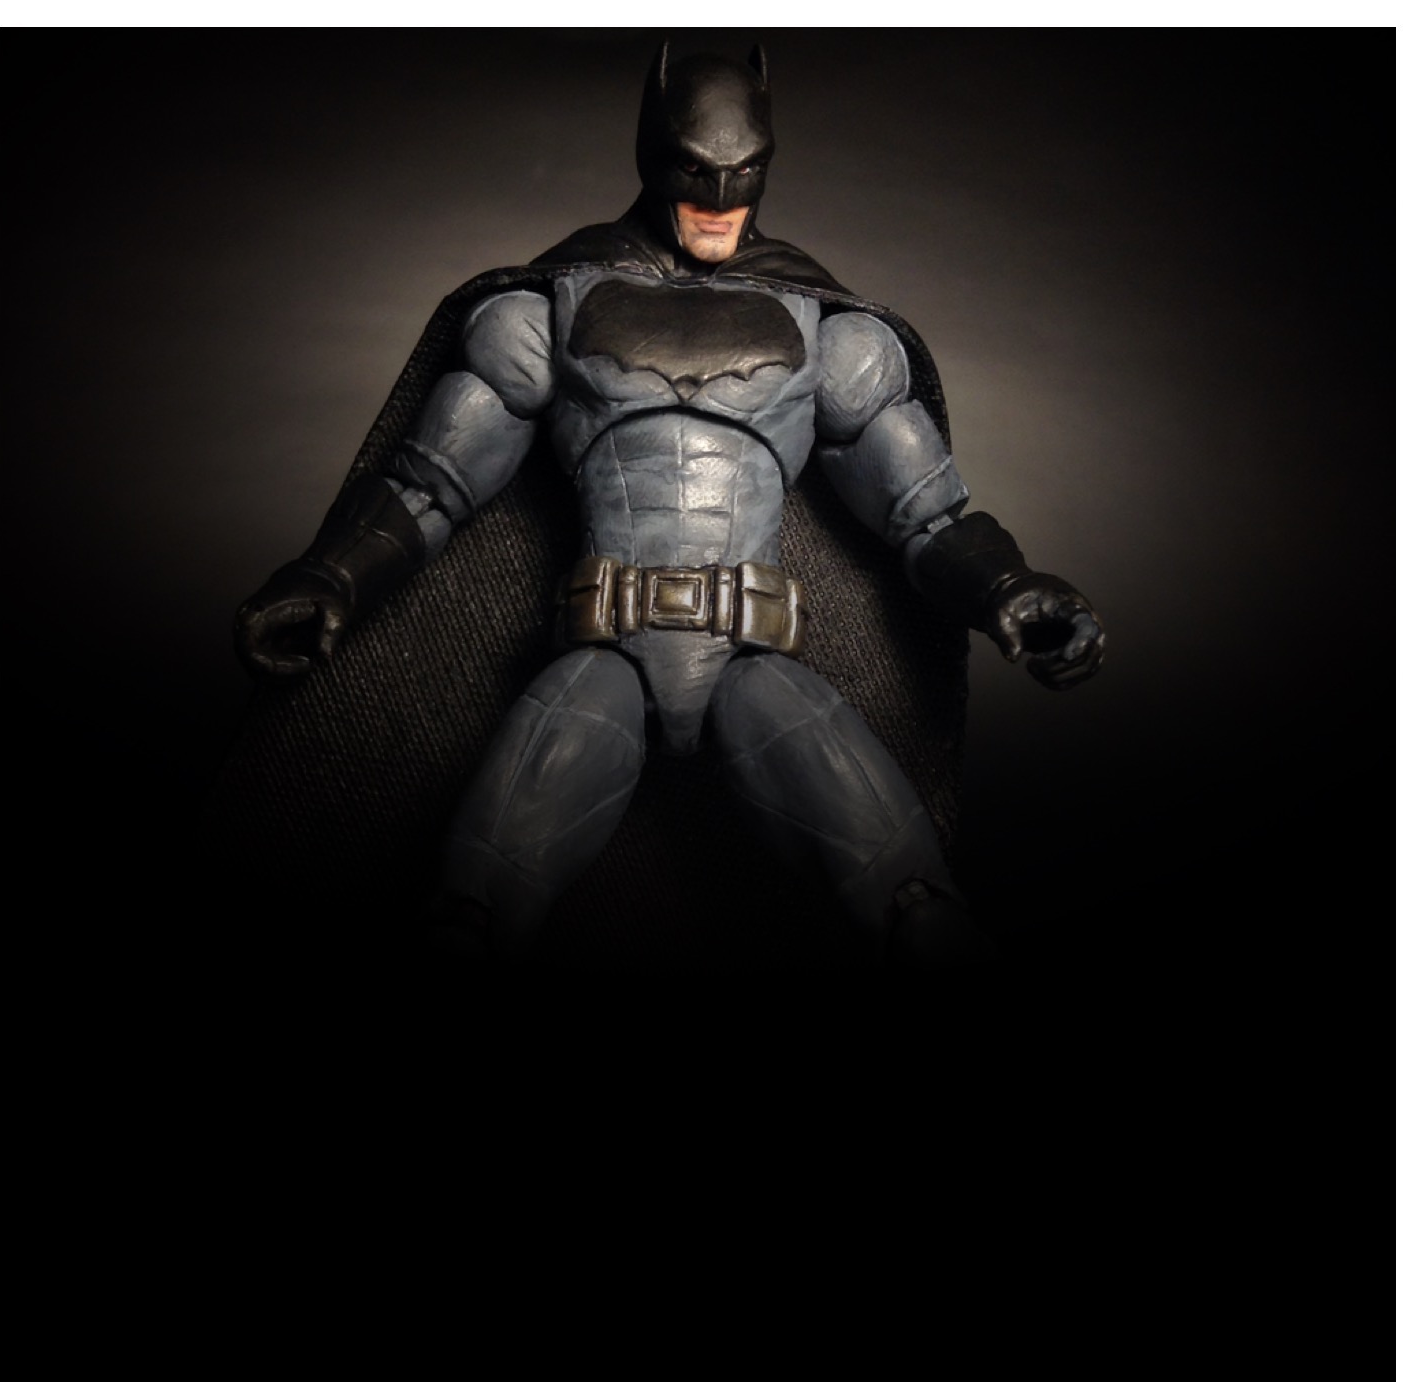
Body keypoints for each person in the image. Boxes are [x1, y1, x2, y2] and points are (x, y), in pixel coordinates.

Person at [233, 45, 1105, 965]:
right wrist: (329, 577)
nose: (720, 200)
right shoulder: (549, 311)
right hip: (601, 658)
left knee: (919, 910)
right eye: (696, 171)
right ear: (653, 157)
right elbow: (429, 487)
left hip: (752, 665)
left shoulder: (832, 335)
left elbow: (924, 520)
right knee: (467, 915)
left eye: (743, 174)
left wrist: (1007, 587)